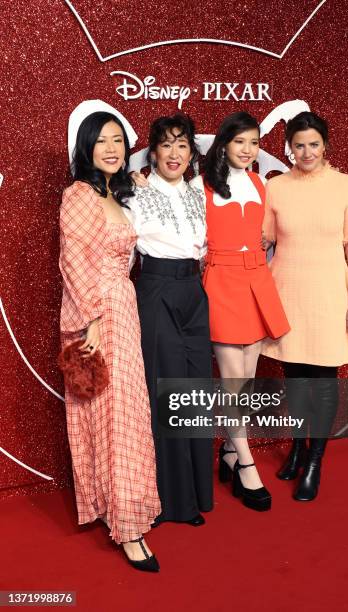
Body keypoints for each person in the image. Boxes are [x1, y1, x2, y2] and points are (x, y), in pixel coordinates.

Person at [59, 105, 161, 572]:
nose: (112, 148)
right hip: (98, 314)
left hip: (125, 307)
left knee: (127, 413)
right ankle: (128, 527)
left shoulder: (117, 196)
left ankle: (128, 506)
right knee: (110, 414)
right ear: (86, 147)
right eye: (102, 140)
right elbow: (74, 263)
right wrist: (92, 324)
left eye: (118, 140)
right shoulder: (78, 195)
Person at [262, 111, 348, 501]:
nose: (306, 152)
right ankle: (297, 446)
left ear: (325, 145)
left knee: (323, 382)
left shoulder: (345, 185)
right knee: (295, 378)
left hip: (328, 294)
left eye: (314, 144)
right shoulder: (277, 188)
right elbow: (263, 243)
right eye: (299, 145)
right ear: (288, 147)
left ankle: (314, 462)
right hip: (287, 291)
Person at [190, 112, 290, 511]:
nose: (248, 150)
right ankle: (246, 463)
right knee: (233, 381)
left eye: (254, 142)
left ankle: (230, 453)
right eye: (240, 142)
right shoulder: (201, 186)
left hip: (256, 282)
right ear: (224, 145)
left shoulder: (260, 184)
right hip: (222, 282)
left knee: (245, 381)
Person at [127, 114, 213, 526]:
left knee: (196, 390)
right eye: (166, 145)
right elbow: (124, 255)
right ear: (153, 152)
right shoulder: (136, 195)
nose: (174, 153)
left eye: (182, 145)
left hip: (195, 292)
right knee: (168, 392)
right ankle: (171, 502)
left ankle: (196, 490)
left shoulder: (199, 191)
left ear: (192, 152)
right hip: (156, 289)